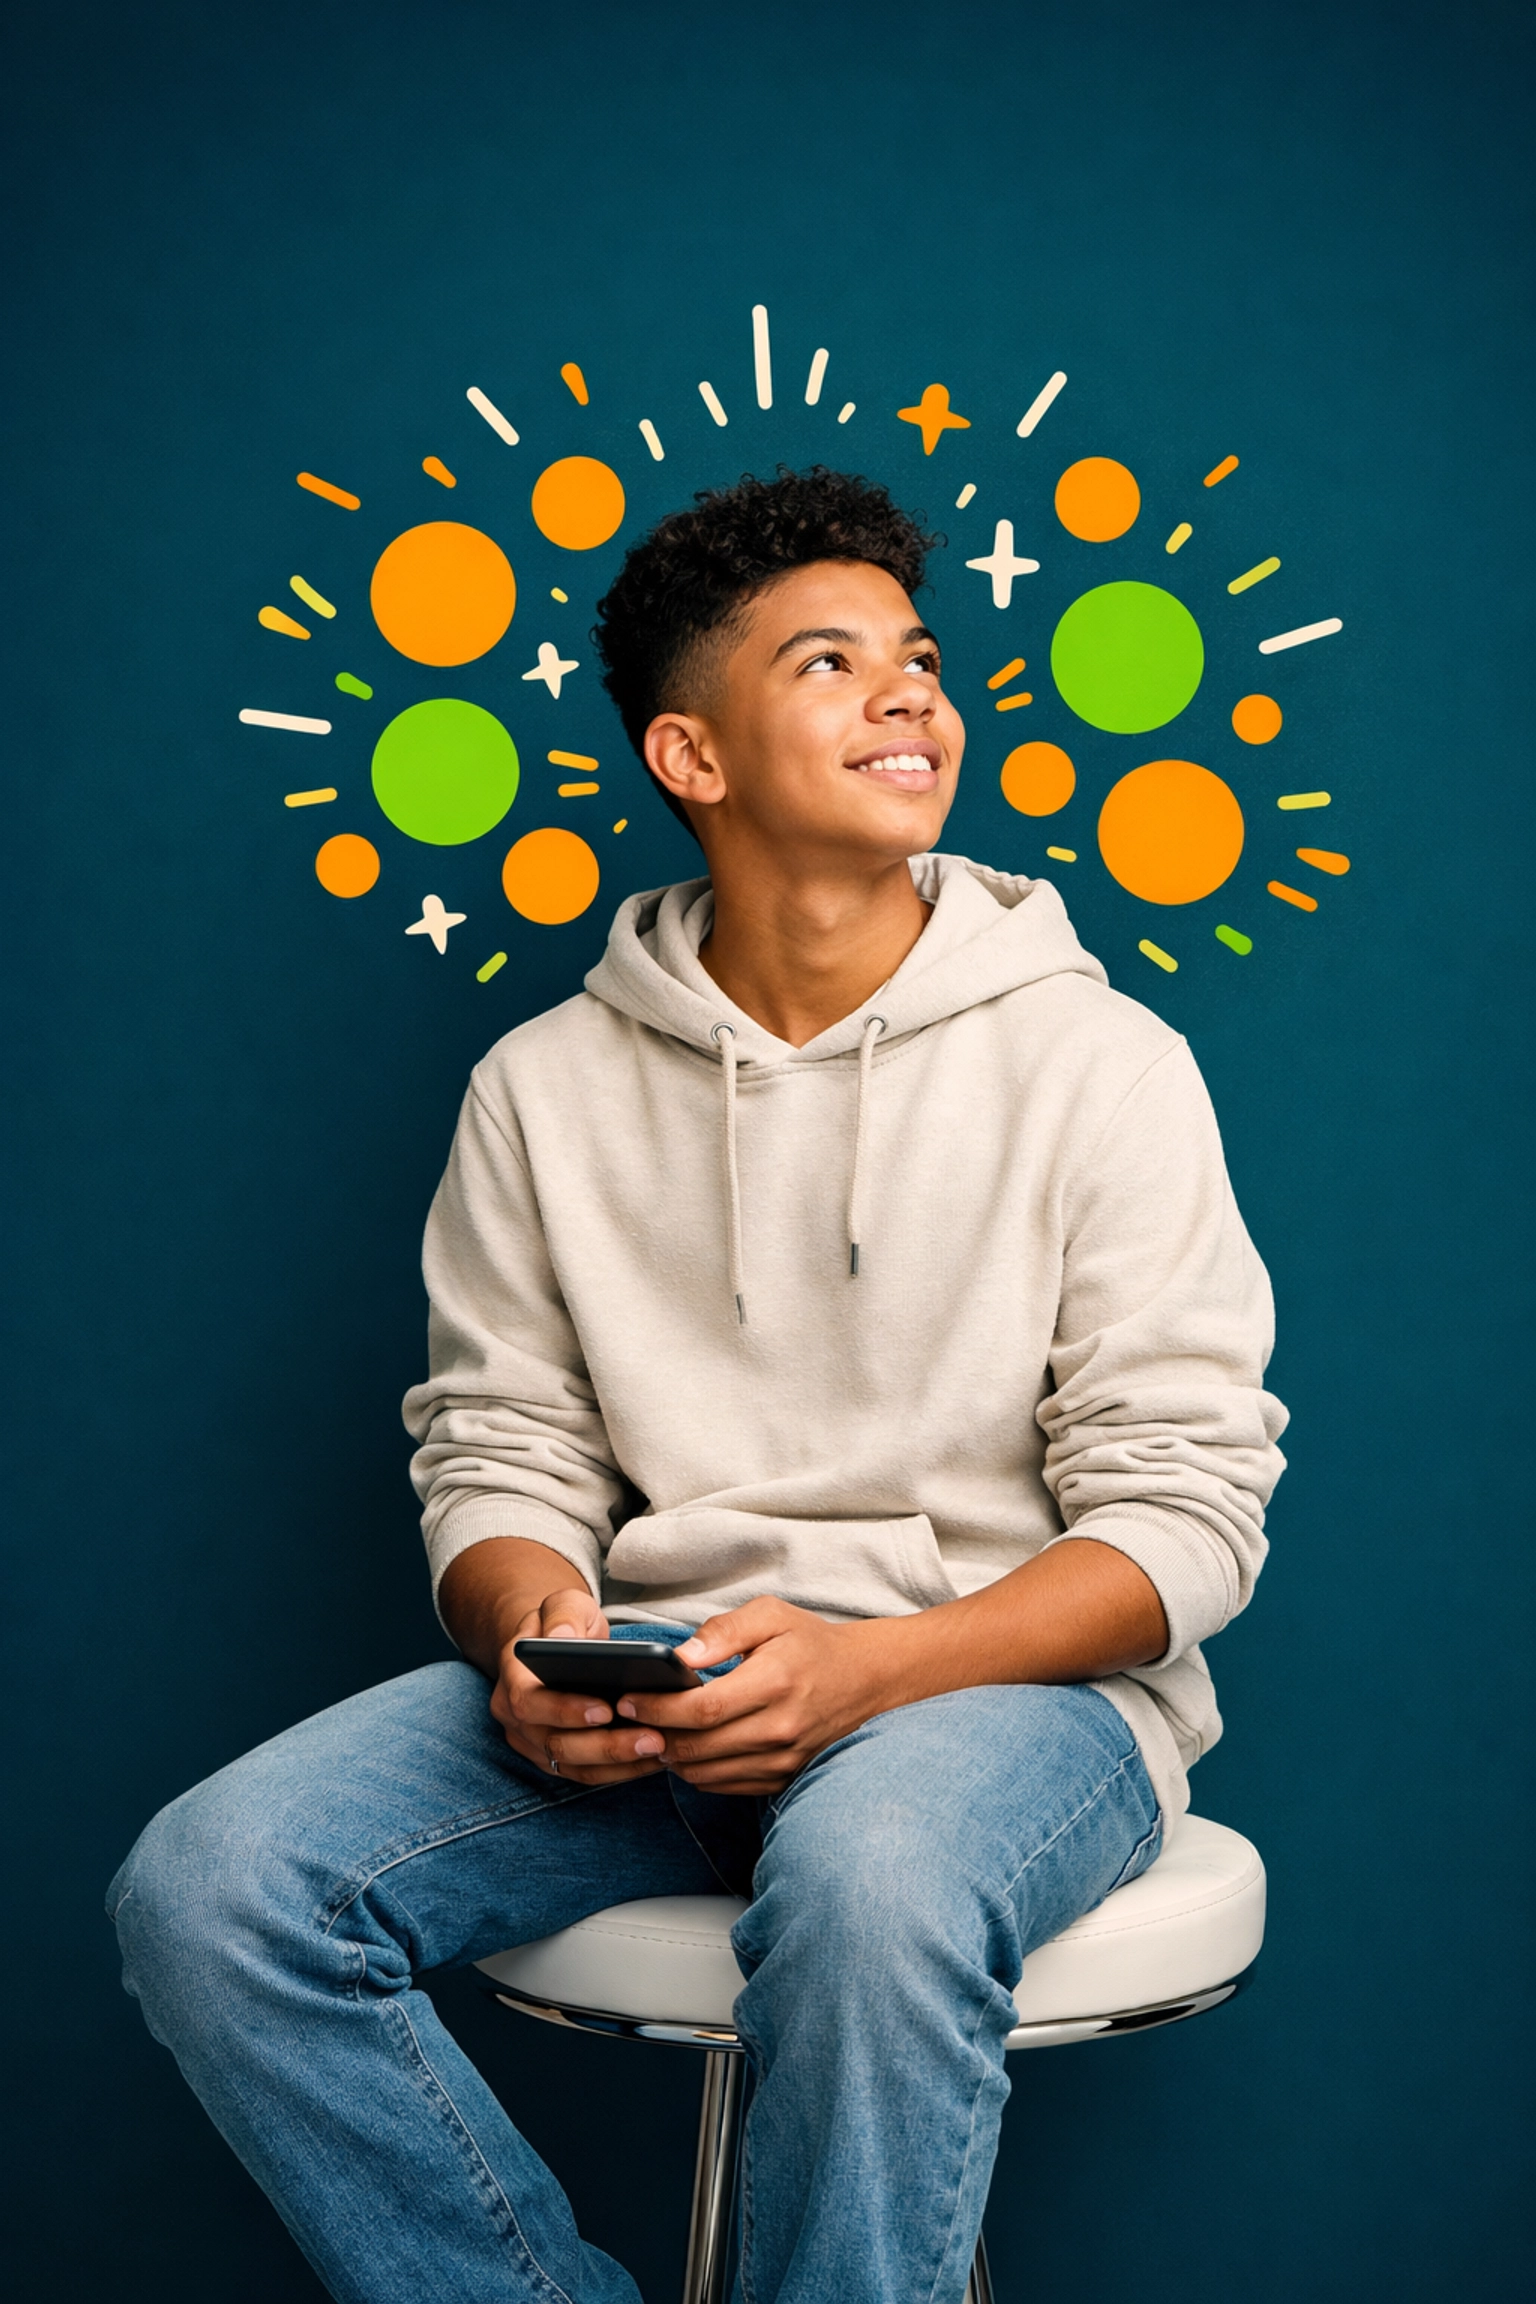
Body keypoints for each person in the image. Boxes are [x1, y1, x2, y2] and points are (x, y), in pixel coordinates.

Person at [109, 467, 1287, 2304]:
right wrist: (532, 1628)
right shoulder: (544, 1088)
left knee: (878, 1883)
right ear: (692, 756)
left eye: (919, 656)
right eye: (832, 662)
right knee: (218, 1887)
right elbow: (498, 1445)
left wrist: (870, 1669)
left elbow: (1188, 1519)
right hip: (668, 1694)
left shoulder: (1103, 1065)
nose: (912, 693)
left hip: (1007, 1703)